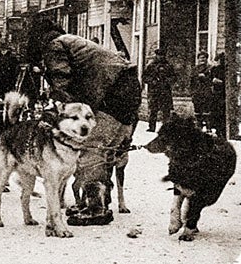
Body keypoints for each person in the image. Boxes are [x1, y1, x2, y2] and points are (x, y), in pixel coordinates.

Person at [26, 16, 140, 225]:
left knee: (91, 149)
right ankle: (95, 200)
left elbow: (62, 82)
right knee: (105, 150)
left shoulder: (54, 46)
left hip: (112, 93)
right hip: (127, 88)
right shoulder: (71, 41)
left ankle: (96, 208)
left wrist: (55, 111)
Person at [142, 47, 177, 133]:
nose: (161, 57)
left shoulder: (168, 66)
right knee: (153, 110)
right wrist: (152, 81)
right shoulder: (151, 66)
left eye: (162, 55)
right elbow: (144, 77)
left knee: (166, 110)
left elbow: (174, 77)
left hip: (165, 91)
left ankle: (166, 128)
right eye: (159, 55)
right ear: (156, 55)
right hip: (154, 91)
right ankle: (151, 127)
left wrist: (167, 81)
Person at [190, 50, 213, 130]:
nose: (202, 60)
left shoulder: (210, 69)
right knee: (197, 111)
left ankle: (208, 128)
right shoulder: (194, 69)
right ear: (198, 59)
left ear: (207, 59)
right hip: (197, 93)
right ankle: (199, 128)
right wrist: (192, 93)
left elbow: (212, 80)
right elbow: (191, 81)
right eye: (200, 58)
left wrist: (205, 78)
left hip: (206, 93)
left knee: (207, 112)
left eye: (204, 58)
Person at [210, 52, 227, 139]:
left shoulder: (227, 70)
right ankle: (216, 131)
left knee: (222, 114)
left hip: (224, 95)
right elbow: (209, 80)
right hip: (215, 95)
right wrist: (213, 80)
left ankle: (223, 132)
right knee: (215, 113)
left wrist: (221, 82)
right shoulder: (214, 69)